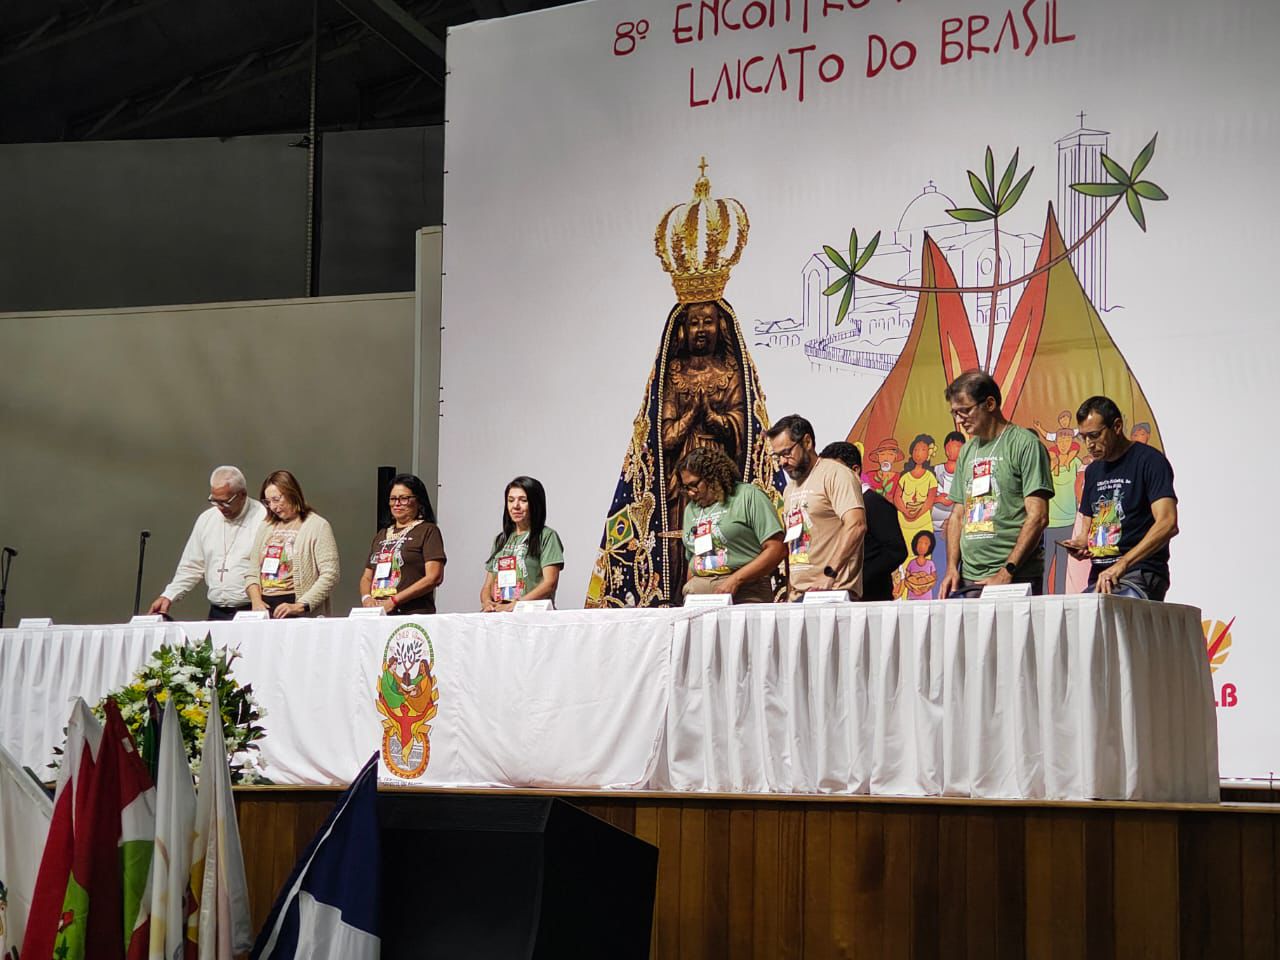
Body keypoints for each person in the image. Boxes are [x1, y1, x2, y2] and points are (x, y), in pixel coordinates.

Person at [585, 161, 783, 608]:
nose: (700, 329)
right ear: (681, 329)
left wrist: (714, 419)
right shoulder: (672, 373)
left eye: (708, 321)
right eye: (693, 322)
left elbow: (743, 427)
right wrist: (690, 418)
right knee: (680, 545)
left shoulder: (731, 371)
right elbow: (661, 436)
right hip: (680, 481)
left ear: (721, 326)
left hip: (723, 472)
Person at [938, 370, 1052, 599]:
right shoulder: (967, 451)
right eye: (955, 413)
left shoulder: (1025, 444)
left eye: (964, 411)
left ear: (990, 404)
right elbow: (958, 515)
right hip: (969, 577)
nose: (959, 420)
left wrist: (1007, 570)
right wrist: (951, 567)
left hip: (1014, 576)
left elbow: (1038, 516)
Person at [1062, 396, 1177, 599]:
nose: (1089, 444)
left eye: (1095, 435)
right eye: (1084, 437)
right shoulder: (1093, 471)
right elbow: (1087, 528)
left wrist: (1123, 563)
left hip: (1138, 571)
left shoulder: (1149, 461)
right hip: (1101, 575)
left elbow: (1167, 523)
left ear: (1116, 426)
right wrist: (1080, 544)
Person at [148, 466, 268, 621]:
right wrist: (169, 595)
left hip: (253, 609)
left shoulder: (264, 517)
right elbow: (191, 565)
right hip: (217, 612)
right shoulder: (206, 519)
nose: (220, 507)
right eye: (214, 501)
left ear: (242, 495)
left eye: (225, 502)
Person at [767, 415, 867, 600]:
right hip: (799, 596)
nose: (782, 462)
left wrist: (829, 574)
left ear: (807, 442)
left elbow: (857, 525)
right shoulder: (789, 489)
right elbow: (792, 542)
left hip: (832, 593)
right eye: (777, 456)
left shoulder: (836, 474)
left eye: (786, 453)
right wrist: (790, 591)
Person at [678, 446, 784, 603]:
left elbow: (777, 549)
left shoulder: (748, 496)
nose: (691, 493)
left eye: (694, 484)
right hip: (699, 597)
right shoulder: (691, 510)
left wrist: (736, 580)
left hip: (744, 591)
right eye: (686, 488)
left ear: (713, 476)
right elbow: (694, 557)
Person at [245, 470, 340, 618]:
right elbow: (252, 571)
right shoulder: (266, 526)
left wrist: (300, 605)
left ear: (292, 493)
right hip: (266, 607)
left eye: (276, 499)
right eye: (268, 502)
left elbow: (330, 574)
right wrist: (256, 601)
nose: (273, 507)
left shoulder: (317, 525)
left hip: (297, 605)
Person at [819, 442, 907, 602]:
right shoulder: (833, 507)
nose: (830, 479)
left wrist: (857, 578)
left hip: (870, 599)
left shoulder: (874, 503)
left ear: (855, 470)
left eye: (836, 473)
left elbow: (896, 551)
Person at [360, 474, 447, 615]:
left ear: (419, 501)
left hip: (412, 614)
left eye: (404, 498)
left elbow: (434, 577)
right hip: (379, 614)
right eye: (393, 499)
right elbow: (367, 577)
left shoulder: (427, 531)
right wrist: (366, 598)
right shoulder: (382, 534)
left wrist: (394, 601)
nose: (397, 503)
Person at [481, 476, 565, 611]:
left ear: (535, 504)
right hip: (501, 615)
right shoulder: (500, 540)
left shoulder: (547, 536)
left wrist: (517, 605)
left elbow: (550, 583)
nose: (515, 506)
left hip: (533, 615)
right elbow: (487, 586)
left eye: (523, 500)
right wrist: (487, 603)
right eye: (511, 500)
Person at [893, 433, 939, 558]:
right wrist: (906, 512)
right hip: (904, 523)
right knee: (904, 554)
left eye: (923, 450)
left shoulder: (930, 477)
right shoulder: (905, 477)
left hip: (922, 523)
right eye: (916, 450)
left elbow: (930, 500)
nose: (918, 453)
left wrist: (917, 514)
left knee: (922, 554)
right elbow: (897, 497)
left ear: (928, 454)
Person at [931, 431, 965, 585]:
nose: (953, 450)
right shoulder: (936, 470)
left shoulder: (966, 471)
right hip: (935, 525)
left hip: (958, 524)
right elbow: (925, 496)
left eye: (957, 447)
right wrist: (938, 499)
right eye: (950, 447)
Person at [904, 531, 938, 600]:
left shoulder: (930, 563)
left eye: (926, 543)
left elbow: (934, 579)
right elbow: (906, 580)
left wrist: (924, 590)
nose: (922, 546)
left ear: (930, 546)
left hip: (926, 598)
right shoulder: (912, 563)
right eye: (920, 543)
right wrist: (913, 590)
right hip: (912, 597)